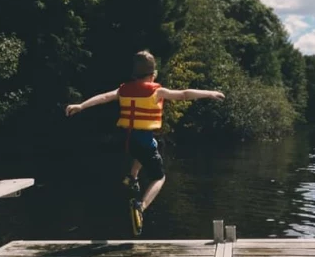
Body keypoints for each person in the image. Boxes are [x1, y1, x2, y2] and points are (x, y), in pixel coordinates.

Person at [65, 50, 224, 235]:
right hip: (143, 141)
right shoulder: (157, 91)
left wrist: (81, 105)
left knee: (148, 148)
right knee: (159, 177)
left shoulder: (123, 89)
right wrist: (209, 93)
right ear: (152, 74)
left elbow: (103, 97)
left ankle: (132, 177)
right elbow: (184, 94)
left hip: (128, 140)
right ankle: (141, 206)